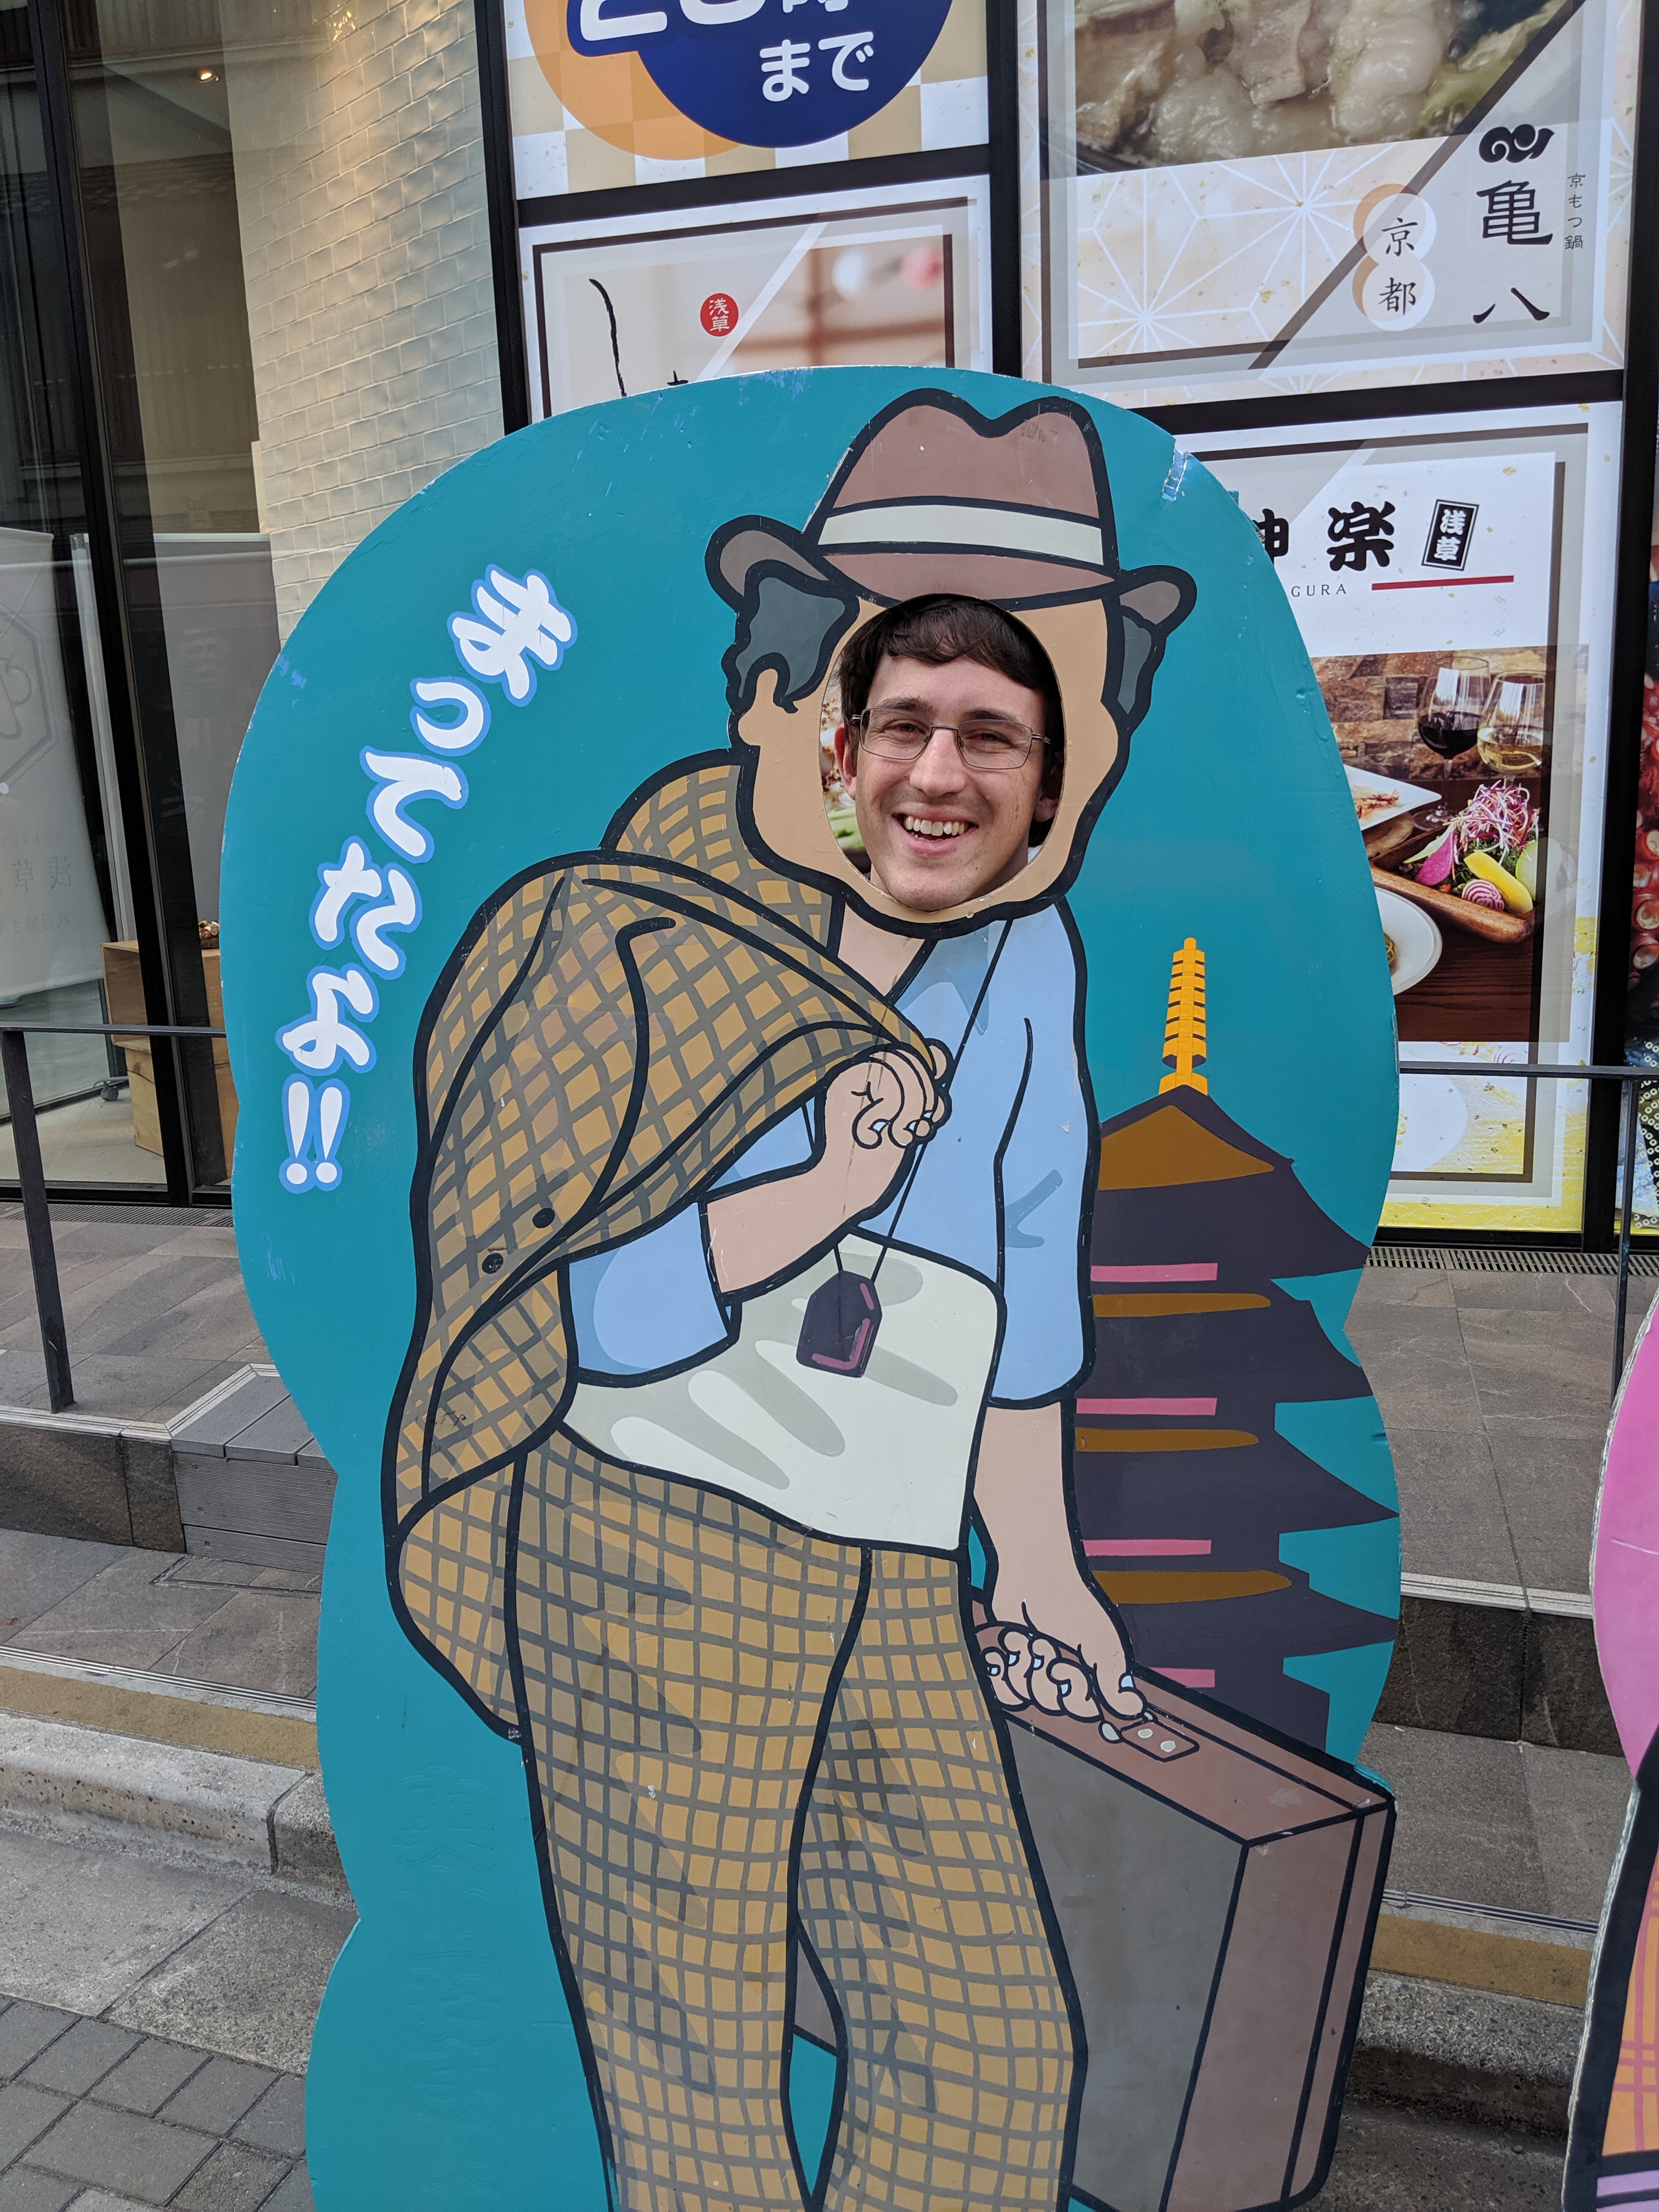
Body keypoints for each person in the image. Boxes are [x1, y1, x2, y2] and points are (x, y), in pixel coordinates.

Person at [385, 391, 1194, 2212]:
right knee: (698, 2063)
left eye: (1000, 732)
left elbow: (1024, 1277)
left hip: (892, 1553)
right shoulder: (646, 923)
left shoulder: (1028, 950)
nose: (941, 775)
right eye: (903, 719)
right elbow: (568, 1313)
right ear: (824, 719)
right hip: (650, 1529)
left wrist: (1040, 1560)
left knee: (989, 2048)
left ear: (1062, 767)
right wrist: (813, 1197)